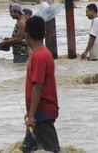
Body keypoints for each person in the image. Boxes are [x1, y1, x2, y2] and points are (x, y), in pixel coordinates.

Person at [22, 15, 60, 153]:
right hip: (38, 113)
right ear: (44, 34)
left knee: (51, 150)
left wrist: (31, 114)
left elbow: (38, 87)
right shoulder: (42, 54)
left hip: (42, 114)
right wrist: (31, 113)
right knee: (27, 149)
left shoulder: (39, 57)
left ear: (26, 36)